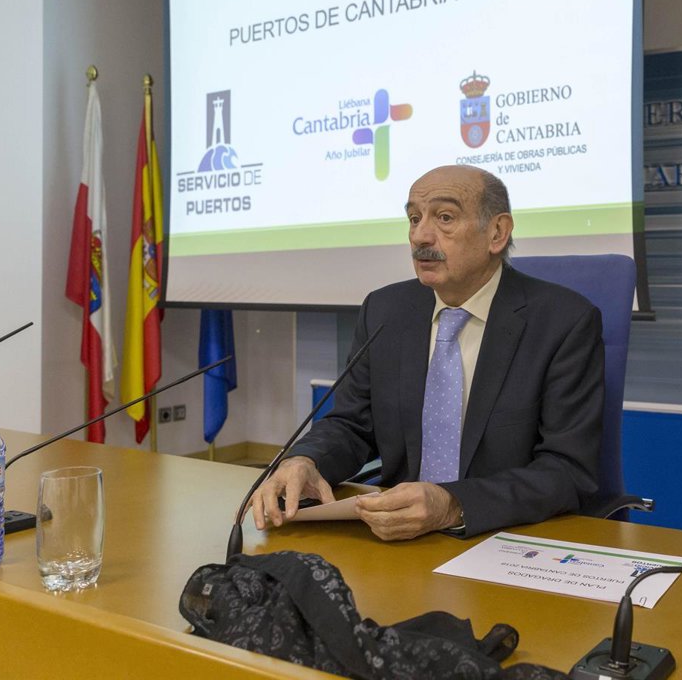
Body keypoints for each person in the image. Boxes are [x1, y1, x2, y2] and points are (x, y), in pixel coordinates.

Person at [252, 164, 604, 540]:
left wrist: (452, 504)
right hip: (395, 536)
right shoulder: (385, 310)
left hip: (506, 537)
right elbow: (352, 425)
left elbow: (567, 469)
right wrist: (306, 459)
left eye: (445, 217)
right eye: (414, 218)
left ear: (497, 232)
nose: (420, 235)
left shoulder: (564, 322)